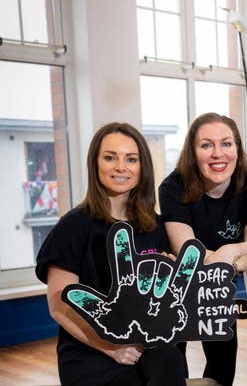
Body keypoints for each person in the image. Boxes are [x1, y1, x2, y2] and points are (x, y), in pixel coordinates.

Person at [35, 122, 186, 386]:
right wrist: (109, 346)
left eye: (131, 159)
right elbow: (59, 306)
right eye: (110, 158)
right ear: (95, 164)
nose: (120, 167)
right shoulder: (73, 226)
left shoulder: (155, 225)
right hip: (90, 349)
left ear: (142, 168)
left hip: (143, 343)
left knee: (171, 362)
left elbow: (166, 295)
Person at [159, 112, 247, 386]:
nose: (217, 154)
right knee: (172, 365)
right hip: (176, 289)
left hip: (219, 289)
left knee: (223, 364)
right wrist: (237, 256)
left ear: (237, 149)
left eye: (226, 143)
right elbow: (190, 259)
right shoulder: (172, 187)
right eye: (206, 145)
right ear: (193, 152)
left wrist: (221, 253)